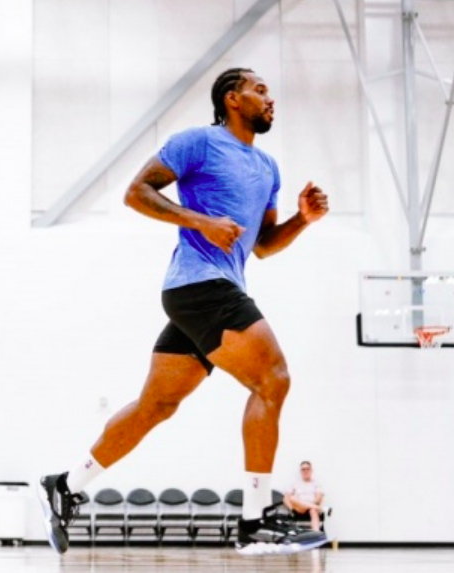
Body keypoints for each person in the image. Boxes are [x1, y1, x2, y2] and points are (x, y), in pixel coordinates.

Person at [37, 67, 329, 556]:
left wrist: (303, 218)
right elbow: (136, 192)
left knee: (156, 406)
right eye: (260, 90)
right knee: (272, 379)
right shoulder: (198, 143)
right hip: (200, 285)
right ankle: (255, 520)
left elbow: (262, 245)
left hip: (206, 291)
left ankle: (66, 485)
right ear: (232, 98)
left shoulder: (268, 168)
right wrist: (200, 222)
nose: (270, 98)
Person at [284, 461, 329, 532]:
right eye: (303, 469)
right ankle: (322, 508)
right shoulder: (294, 483)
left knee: (313, 510)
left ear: (311, 470)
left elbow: (319, 497)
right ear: (300, 471)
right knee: (292, 498)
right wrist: (291, 509)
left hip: (312, 507)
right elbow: (286, 499)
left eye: (308, 469)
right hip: (299, 508)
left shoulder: (316, 483)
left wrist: (309, 505)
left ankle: (316, 533)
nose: (305, 471)